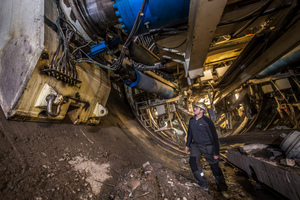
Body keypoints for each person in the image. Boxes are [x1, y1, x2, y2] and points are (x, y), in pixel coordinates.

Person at [185, 102, 228, 192]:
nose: (194, 109)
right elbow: (190, 133)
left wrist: (216, 152)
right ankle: (203, 182)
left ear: (202, 110)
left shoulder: (207, 121)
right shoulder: (192, 120)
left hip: (208, 146)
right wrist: (187, 145)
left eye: (196, 108)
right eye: (195, 107)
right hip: (196, 146)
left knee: (215, 167)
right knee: (193, 163)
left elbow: (214, 138)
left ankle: (222, 188)